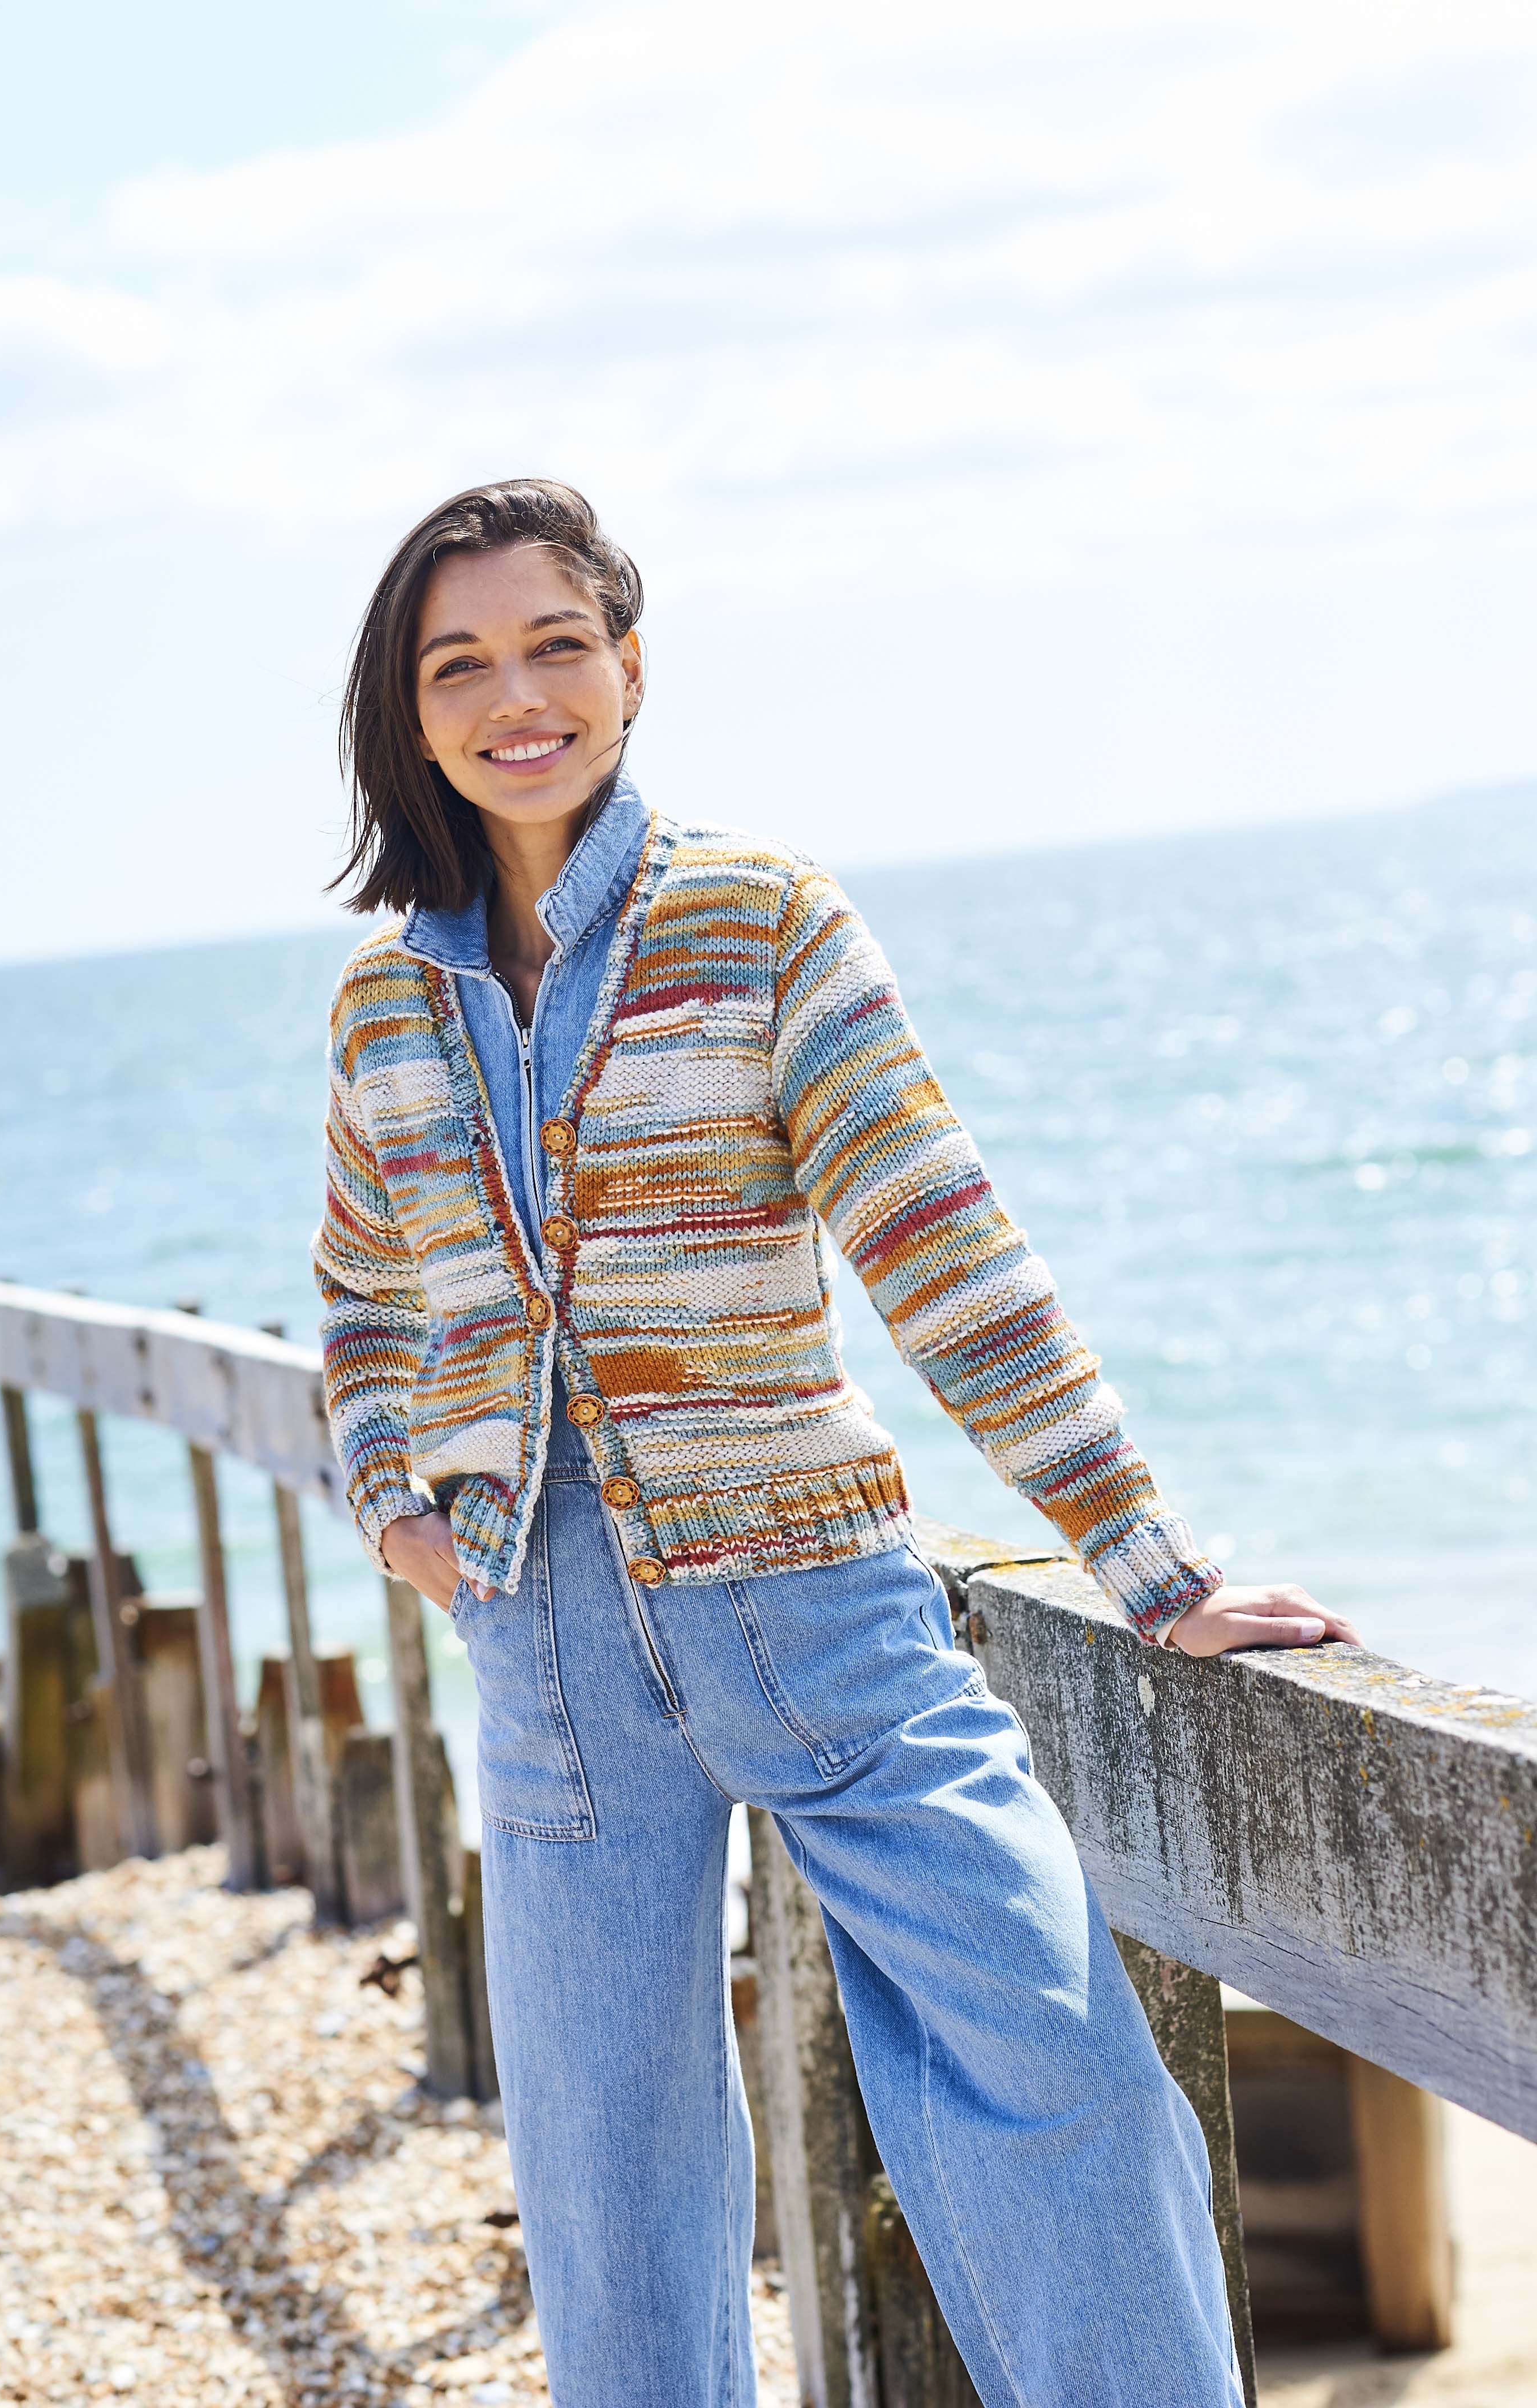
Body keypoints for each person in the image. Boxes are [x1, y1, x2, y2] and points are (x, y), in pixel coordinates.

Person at [315, 478, 1357, 2408]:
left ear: (631, 665)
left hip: (816, 1608)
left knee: (1051, 2068)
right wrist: (403, 1517)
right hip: (545, 1646)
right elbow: (367, 1309)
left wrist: (1150, 1561)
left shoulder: (760, 918)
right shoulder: (389, 996)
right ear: (413, 711)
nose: (515, 695)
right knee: (610, 2182)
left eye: (558, 644)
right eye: (461, 663)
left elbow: (940, 1247)